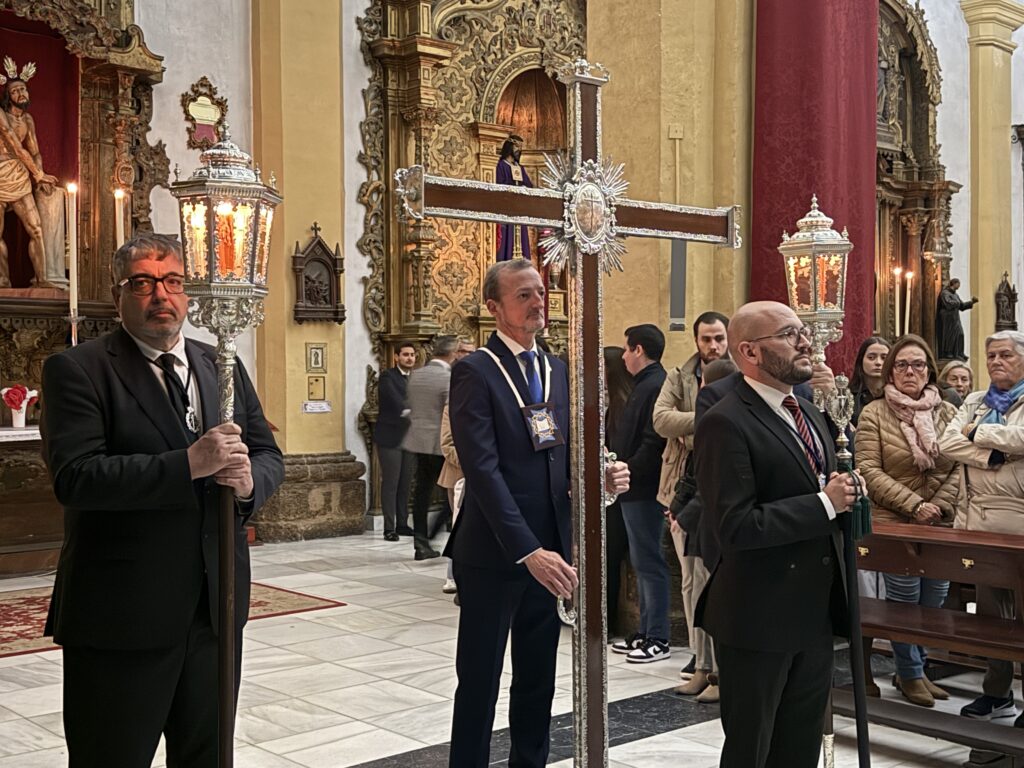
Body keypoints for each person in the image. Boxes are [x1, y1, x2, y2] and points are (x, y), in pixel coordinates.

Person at [40, 234, 284, 767]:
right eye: (143, 283)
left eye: (173, 281)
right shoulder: (79, 369)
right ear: (118, 293)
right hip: (124, 614)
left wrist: (249, 484)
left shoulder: (220, 363)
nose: (161, 295)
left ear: (188, 292)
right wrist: (188, 464)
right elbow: (76, 477)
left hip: (214, 608)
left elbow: (268, 453)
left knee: (207, 756)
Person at [446, 259, 628, 767]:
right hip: (494, 552)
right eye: (523, 295)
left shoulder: (557, 369)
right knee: (479, 680)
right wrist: (528, 550)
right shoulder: (475, 371)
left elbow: (563, 454)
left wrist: (598, 480)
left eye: (540, 293)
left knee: (537, 679)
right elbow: (482, 470)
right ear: (494, 307)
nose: (537, 302)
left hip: (552, 548)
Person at [694, 300, 859, 768]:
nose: (806, 342)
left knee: (799, 751)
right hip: (758, 617)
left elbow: (820, 485)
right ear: (749, 351)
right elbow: (735, 526)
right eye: (789, 334)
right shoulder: (725, 421)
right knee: (752, 751)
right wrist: (825, 503)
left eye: (802, 331)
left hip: (813, 611)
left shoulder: (806, 411)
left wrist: (848, 492)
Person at [855, 334, 961, 706]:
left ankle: (914, 667)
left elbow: (960, 466)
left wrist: (939, 506)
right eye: (901, 365)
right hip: (895, 521)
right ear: (890, 372)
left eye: (917, 364)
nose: (910, 372)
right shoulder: (874, 413)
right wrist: (915, 505)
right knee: (904, 601)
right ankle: (911, 673)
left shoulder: (948, 413)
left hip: (940, 523)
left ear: (929, 369)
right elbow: (869, 469)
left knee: (934, 599)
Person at [940, 330, 1024, 723]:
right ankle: (997, 693)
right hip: (978, 519)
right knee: (991, 617)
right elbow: (947, 443)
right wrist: (992, 456)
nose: (996, 362)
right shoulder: (976, 400)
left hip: (1018, 516)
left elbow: (1022, 437)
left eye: (1005, 355)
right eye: (991, 356)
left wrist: (978, 433)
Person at [652, 310, 728, 680]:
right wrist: (706, 417)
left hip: (718, 487)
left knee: (713, 577)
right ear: (696, 341)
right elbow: (661, 420)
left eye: (719, 338)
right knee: (689, 578)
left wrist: (693, 425)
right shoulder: (679, 376)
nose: (713, 346)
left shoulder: (737, 374)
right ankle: (699, 656)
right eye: (706, 339)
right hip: (682, 483)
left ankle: (715, 661)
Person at [668, 356, 736, 704]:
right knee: (696, 596)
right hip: (698, 522)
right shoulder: (709, 416)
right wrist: (679, 507)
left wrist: (687, 513)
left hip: (713, 524)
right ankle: (703, 666)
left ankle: (721, 674)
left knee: (715, 602)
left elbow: (715, 477)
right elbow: (694, 470)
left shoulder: (727, 420)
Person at [610, 323, 670, 663]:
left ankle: (657, 637)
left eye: (626, 349)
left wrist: (627, 469)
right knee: (642, 561)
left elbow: (652, 441)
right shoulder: (644, 384)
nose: (623, 357)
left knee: (649, 562)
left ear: (639, 350)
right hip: (633, 486)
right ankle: (645, 631)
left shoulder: (654, 385)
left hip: (643, 487)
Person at [0, 58, 59, 288]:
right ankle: (3, 280)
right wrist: (37, 174)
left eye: (23, 89)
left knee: (36, 228)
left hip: (19, 175)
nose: (21, 93)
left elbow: (34, 150)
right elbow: (14, 144)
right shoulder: (1, 114)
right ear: (8, 96)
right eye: (15, 91)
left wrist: (39, 173)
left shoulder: (28, 119)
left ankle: (42, 279)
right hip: (1, 171)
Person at [403, 334, 459, 560]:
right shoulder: (448, 378)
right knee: (452, 490)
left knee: (421, 493)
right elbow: (450, 411)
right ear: (452, 353)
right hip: (439, 442)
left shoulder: (417, 375)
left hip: (418, 440)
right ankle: (433, 534)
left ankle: (420, 541)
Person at [437, 338, 477, 593]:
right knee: (459, 528)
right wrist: (474, 463)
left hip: (486, 475)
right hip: (459, 474)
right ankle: (453, 575)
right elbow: (447, 443)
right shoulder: (451, 406)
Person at [604, 344, 634, 637]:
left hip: (618, 493)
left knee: (610, 557)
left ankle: (609, 619)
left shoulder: (621, 406)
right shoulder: (616, 403)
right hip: (614, 493)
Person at [375, 341, 417, 541]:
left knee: (405, 483)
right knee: (391, 482)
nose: (409, 358)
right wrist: (412, 411)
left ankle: (402, 524)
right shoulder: (387, 377)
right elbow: (394, 401)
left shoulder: (415, 378)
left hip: (410, 438)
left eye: (412, 355)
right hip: (390, 437)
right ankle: (389, 528)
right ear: (396, 357)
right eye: (405, 354)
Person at [495, 134, 533, 261]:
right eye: (517, 147)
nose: (519, 150)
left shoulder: (520, 168)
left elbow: (529, 186)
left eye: (520, 148)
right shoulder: (501, 165)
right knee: (507, 240)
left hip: (519, 211)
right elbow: (498, 185)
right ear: (510, 146)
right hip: (507, 210)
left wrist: (524, 189)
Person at [849, 335, 891, 427]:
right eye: (871, 357)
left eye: (884, 358)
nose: (878, 362)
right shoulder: (848, 396)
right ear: (861, 361)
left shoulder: (898, 396)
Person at [935, 278, 978, 362]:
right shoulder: (945, 293)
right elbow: (947, 303)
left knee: (960, 334)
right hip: (947, 318)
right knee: (949, 335)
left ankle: (959, 353)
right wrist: (957, 303)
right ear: (954, 284)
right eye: (958, 283)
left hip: (955, 318)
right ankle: (948, 353)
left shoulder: (955, 295)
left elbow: (962, 306)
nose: (959, 285)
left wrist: (971, 302)